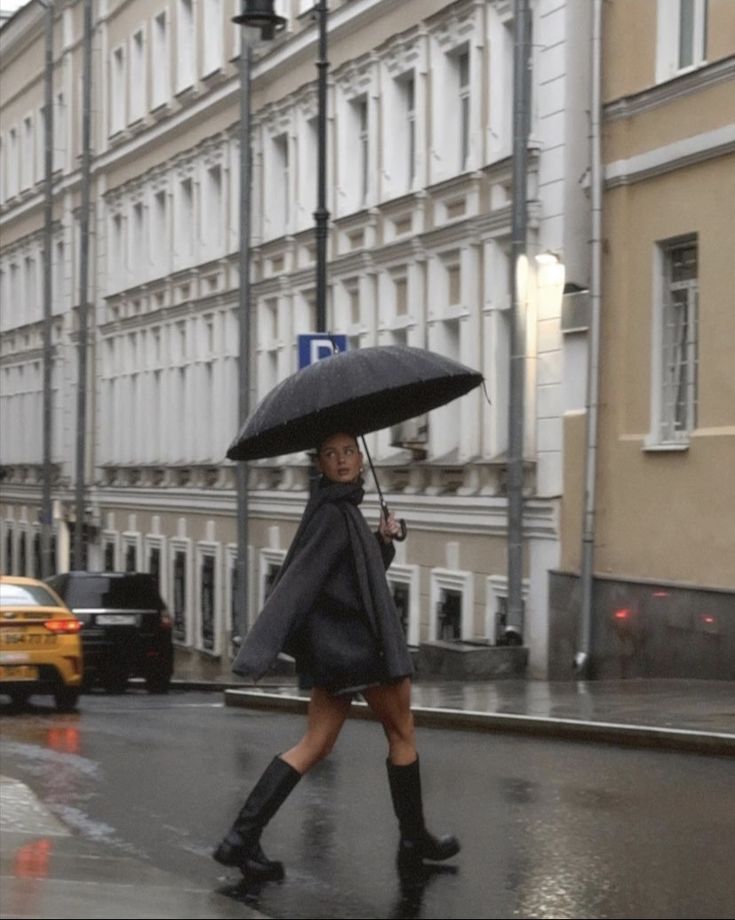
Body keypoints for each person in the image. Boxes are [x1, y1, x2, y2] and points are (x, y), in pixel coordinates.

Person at [213, 432, 460, 881]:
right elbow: (297, 584)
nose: (342, 460)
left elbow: (351, 576)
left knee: (316, 744)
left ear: (361, 461)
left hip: (341, 655)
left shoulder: (341, 509)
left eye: (349, 451)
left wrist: (381, 543)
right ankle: (413, 840)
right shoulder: (332, 514)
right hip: (362, 650)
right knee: (402, 732)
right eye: (331, 454)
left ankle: (240, 838)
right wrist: (259, 650)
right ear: (320, 464)